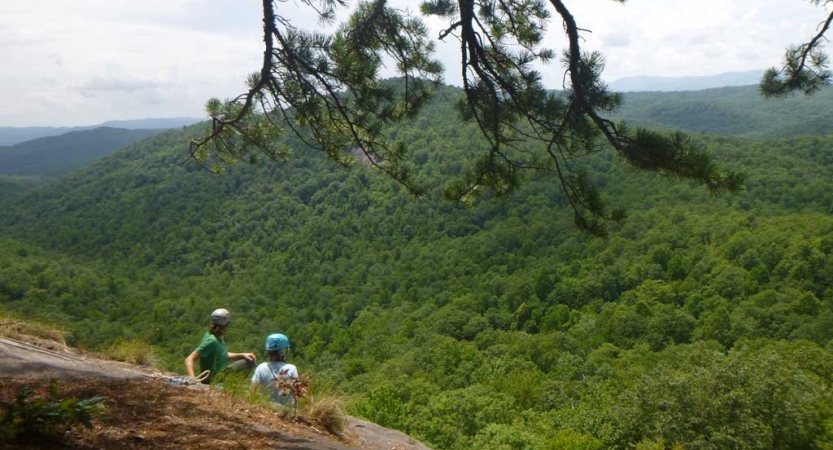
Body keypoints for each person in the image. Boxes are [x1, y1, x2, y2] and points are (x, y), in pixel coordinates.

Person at [184, 308, 257, 384]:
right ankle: (230, 387)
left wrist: (242, 355)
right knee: (249, 362)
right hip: (214, 379)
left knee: (248, 359)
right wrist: (192, 378)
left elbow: (222, 354)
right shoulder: (212, 340)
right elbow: (189, 359)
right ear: (227, 323)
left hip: (219, 375)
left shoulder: (215, 335)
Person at [251, 333, 299, 406]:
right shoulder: (292, 368)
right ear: (283, 351)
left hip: (267, 407)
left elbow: (253, 391)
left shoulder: (261, 367)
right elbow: (296, 393)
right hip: (287, 409)